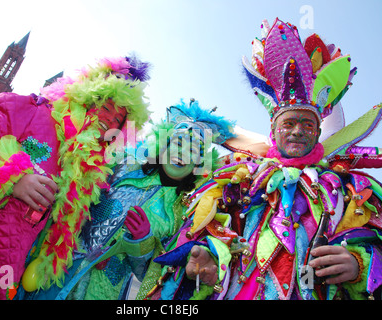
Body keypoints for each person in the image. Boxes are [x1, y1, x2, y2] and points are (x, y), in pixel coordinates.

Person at [149, 18, 382, 300]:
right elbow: (209, 230)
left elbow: (374, 240)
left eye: (308, 125)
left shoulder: (347, 187)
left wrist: (359, 264)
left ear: (319, 132)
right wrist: (210, 260)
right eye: (289, 123)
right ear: (273, 130)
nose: (298, 131)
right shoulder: (238, 180)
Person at [0, 55, 151, 299]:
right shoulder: (32, 111)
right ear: (88, 96)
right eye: (107, 107)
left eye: (117, 120)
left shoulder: (89, 174)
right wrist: (14, 178)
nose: (108, 120)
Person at [14, 98, 235, 300]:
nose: (182, 153)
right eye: (177, 144)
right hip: (57, 266)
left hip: (102, 291)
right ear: (163, 144)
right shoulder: (123, 166)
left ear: (200, 164)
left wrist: (141, 242)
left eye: (193, 151)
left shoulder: (183, 213)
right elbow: (75, 193)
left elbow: (154, 276)